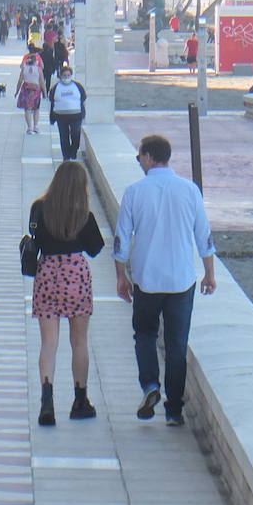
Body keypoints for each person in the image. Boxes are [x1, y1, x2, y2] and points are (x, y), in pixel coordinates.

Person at [113, 134, 217, 427]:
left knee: (145, 334)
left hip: (147, 279)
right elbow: (203, 235)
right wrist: (210, 273)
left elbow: (122, 239)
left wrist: (121, 276)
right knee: (176, 345)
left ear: (148, 157)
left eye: (139, 157)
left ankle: (150, 384)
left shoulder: (134, 192)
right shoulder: (190, 190)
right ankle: (173, 410)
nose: (139, 162)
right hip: (181, 280)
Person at [29, 161, 106, 426]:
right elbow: (95, 248)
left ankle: (47, 402)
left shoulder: (39, 208)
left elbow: (35, 239)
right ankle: (80, 400)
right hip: (76, 275)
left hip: (47, 273)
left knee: (49, 343)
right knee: (79, 341)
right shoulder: (84, 214)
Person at [47, 65, 87, 161]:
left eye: (68, 75)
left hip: (76, 115)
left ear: (71, 75)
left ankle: (73, 152)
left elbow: (83, 98)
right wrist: (52, 117)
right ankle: (66, 155)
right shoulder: (56, 87)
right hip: (61, 116)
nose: (66, 77)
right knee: (63, 136)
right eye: (64, 75)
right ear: (61, 76)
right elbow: (52, 101)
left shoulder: (77, 86)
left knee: (76, 133)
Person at [15, 48, 45, 135]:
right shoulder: (39, 69)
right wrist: (45, 92)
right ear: (36, 62)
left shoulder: (24, 69)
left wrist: (17, 91)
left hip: (26, 89)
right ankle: (35, 126)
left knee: (27, 109)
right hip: (36, 89)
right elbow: (42, 82)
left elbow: (20, 81)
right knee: (36, 109)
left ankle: (29, 127)